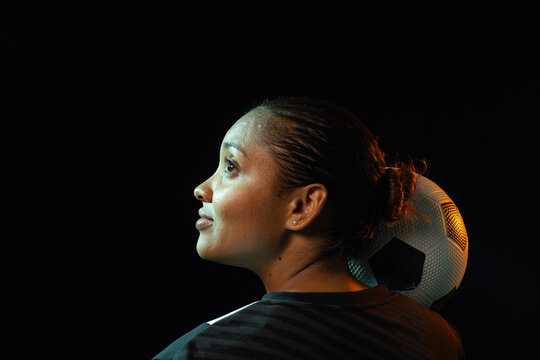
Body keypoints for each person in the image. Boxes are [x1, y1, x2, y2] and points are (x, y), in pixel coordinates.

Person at [153, 97, 464, 359]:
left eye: (231, 166)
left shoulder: (208, 350)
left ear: (303, 206)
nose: (201, 189)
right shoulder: (437, 337)